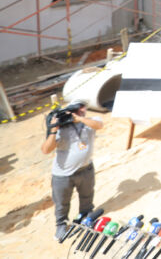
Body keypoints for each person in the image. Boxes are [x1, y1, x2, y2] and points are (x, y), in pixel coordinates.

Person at [42, 100, 103, 241]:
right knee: (62, 204)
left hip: (86, 169)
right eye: (76, 109)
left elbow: (99, 125)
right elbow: (46, 149)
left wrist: (80, 119)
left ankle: (86, 217)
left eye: (82, 108)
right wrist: (53, 130)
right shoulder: (62, 128)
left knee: (87, 197)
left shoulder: (89, 122)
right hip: (63, 175)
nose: (81, 110)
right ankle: (61, 226)